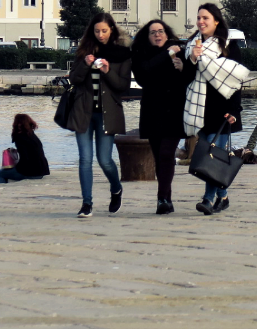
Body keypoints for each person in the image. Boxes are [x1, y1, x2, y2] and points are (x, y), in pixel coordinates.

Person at [185, 3, 249, 215]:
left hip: (223, 109)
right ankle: (223, 196)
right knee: (208, 155)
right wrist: (193, 58)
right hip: (200, 108)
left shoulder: (228, 45)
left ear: (216, 21)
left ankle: (208, 199)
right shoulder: (192, 45)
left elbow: (237, 80)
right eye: (199, 18)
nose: (201, 22)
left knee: (212, 156)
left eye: (205, 18)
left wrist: (234, 110)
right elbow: (185, 78)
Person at [67, 12, 133, 218]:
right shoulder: (84, 51)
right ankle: (86, 203)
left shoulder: (122, 54)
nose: (100, 35)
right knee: (85, 159)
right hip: (83, 112)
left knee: (104, 159)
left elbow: (122, 86)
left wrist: (107, 71)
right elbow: (74, 79)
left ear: (111, 30)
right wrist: (85, 64)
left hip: (107, 113)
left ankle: (116, 188)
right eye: (97, 31)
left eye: (104, 31)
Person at [131, 19, 195, 215]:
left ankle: (163, 198)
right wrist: (166, 54)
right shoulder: (142, 55)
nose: (157, 35)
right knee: (159, 157)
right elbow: (143, 75)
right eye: (153, 32)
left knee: (167, 154)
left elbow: (190, 78)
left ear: (167, 34)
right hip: (152, 112)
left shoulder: (180, 51)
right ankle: (165, 197)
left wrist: (182, 69)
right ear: (147, 37)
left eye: (160, 31)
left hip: (174, 111)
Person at [0, 113, 50, 184]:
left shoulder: (19, 138)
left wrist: (15, 167)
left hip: (31, 173)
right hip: (41, 171)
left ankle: (2, 190)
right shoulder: (32, 135)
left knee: (0, 173)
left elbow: (25, 158)